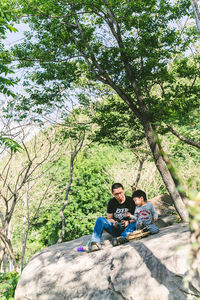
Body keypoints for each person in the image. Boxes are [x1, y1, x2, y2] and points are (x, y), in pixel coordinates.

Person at [88, 183, 137, 252]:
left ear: (124, 191)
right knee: (100, 219)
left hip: (128, 227)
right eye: (116, 194)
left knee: (135, 223)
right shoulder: (111, 202)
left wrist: (128, 222)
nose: (119, 196)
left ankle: (121, 239)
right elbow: (109, 218)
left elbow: (137, 217)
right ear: (113, 194)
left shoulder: (131, 201)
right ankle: (94, 243)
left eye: (121, 193)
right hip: (116, 228)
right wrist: (114, 222)